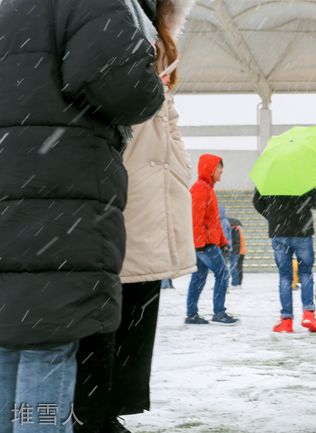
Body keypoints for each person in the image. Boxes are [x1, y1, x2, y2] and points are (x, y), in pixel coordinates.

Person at [0, 0, 164, 431]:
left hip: (14, 196)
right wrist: (153, 79)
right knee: (46, 346)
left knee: (7, 344)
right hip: (57, 199)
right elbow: (120, 86)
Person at [72, 1, 197, 432]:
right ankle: (94, 411)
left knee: (139, 298)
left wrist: (179, 164)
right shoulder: (113, 21)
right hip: (121, 175)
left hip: (154, 180)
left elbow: (166, 111)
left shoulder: (156, 32)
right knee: (109, 303)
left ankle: (113, 407)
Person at [253, 188, 316, 333]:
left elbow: (257, 202)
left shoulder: (269, 172)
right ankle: (308, 314)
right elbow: (315, 204)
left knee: (285, 276)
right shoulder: (305, 172)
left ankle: (286, 320)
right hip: (302, 229)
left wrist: (273, 216)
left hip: (279, 231)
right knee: (306, 273)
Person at [185, 154, 239, 325]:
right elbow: (195, 218)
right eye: (219, 167)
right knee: (222, 273)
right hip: (204, 244)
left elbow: (214, 222)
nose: (222, 171)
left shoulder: (207, 188)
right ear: (210, 169)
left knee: (199, 277)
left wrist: (223, 242)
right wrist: (200, 243)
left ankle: (192, 314)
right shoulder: (200, 188)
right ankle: (219, 312)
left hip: (206, 242)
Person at [228, 218, 246, 289]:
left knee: (236, 267)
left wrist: (233, 249)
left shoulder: (235, 230)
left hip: (239, 251)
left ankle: (237, 283)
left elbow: (237, 242)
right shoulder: (235, 230)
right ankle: (238, 283)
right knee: (237, 267)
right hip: (239, 251)